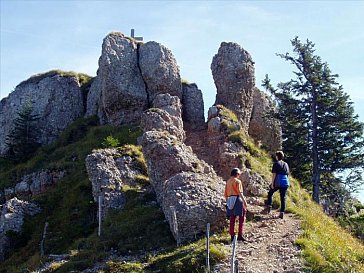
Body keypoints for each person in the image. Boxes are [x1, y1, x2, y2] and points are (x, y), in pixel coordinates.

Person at [224, 168, 248, 242]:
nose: (239, 176)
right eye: (239, 174)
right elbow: (240, 192)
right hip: (237, 199)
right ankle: (240, 234)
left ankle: (232, 235)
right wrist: (245, 202)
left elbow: (225, 194)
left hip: (230, 199)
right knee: (241, 217)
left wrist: (228, 203)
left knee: (232, 218)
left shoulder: (228, 182)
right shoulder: (238, 181)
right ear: (237, 174)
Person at [266, 151, 290, 219]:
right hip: (285, 182)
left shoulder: (276, 164)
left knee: (270, 193)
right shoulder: (286, 164)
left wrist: (272, 184)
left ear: (277, 156)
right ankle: (282, 213)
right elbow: (287, 174)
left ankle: (269, 208)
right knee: (283, 198)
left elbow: (274, 174)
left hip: (278, 182)